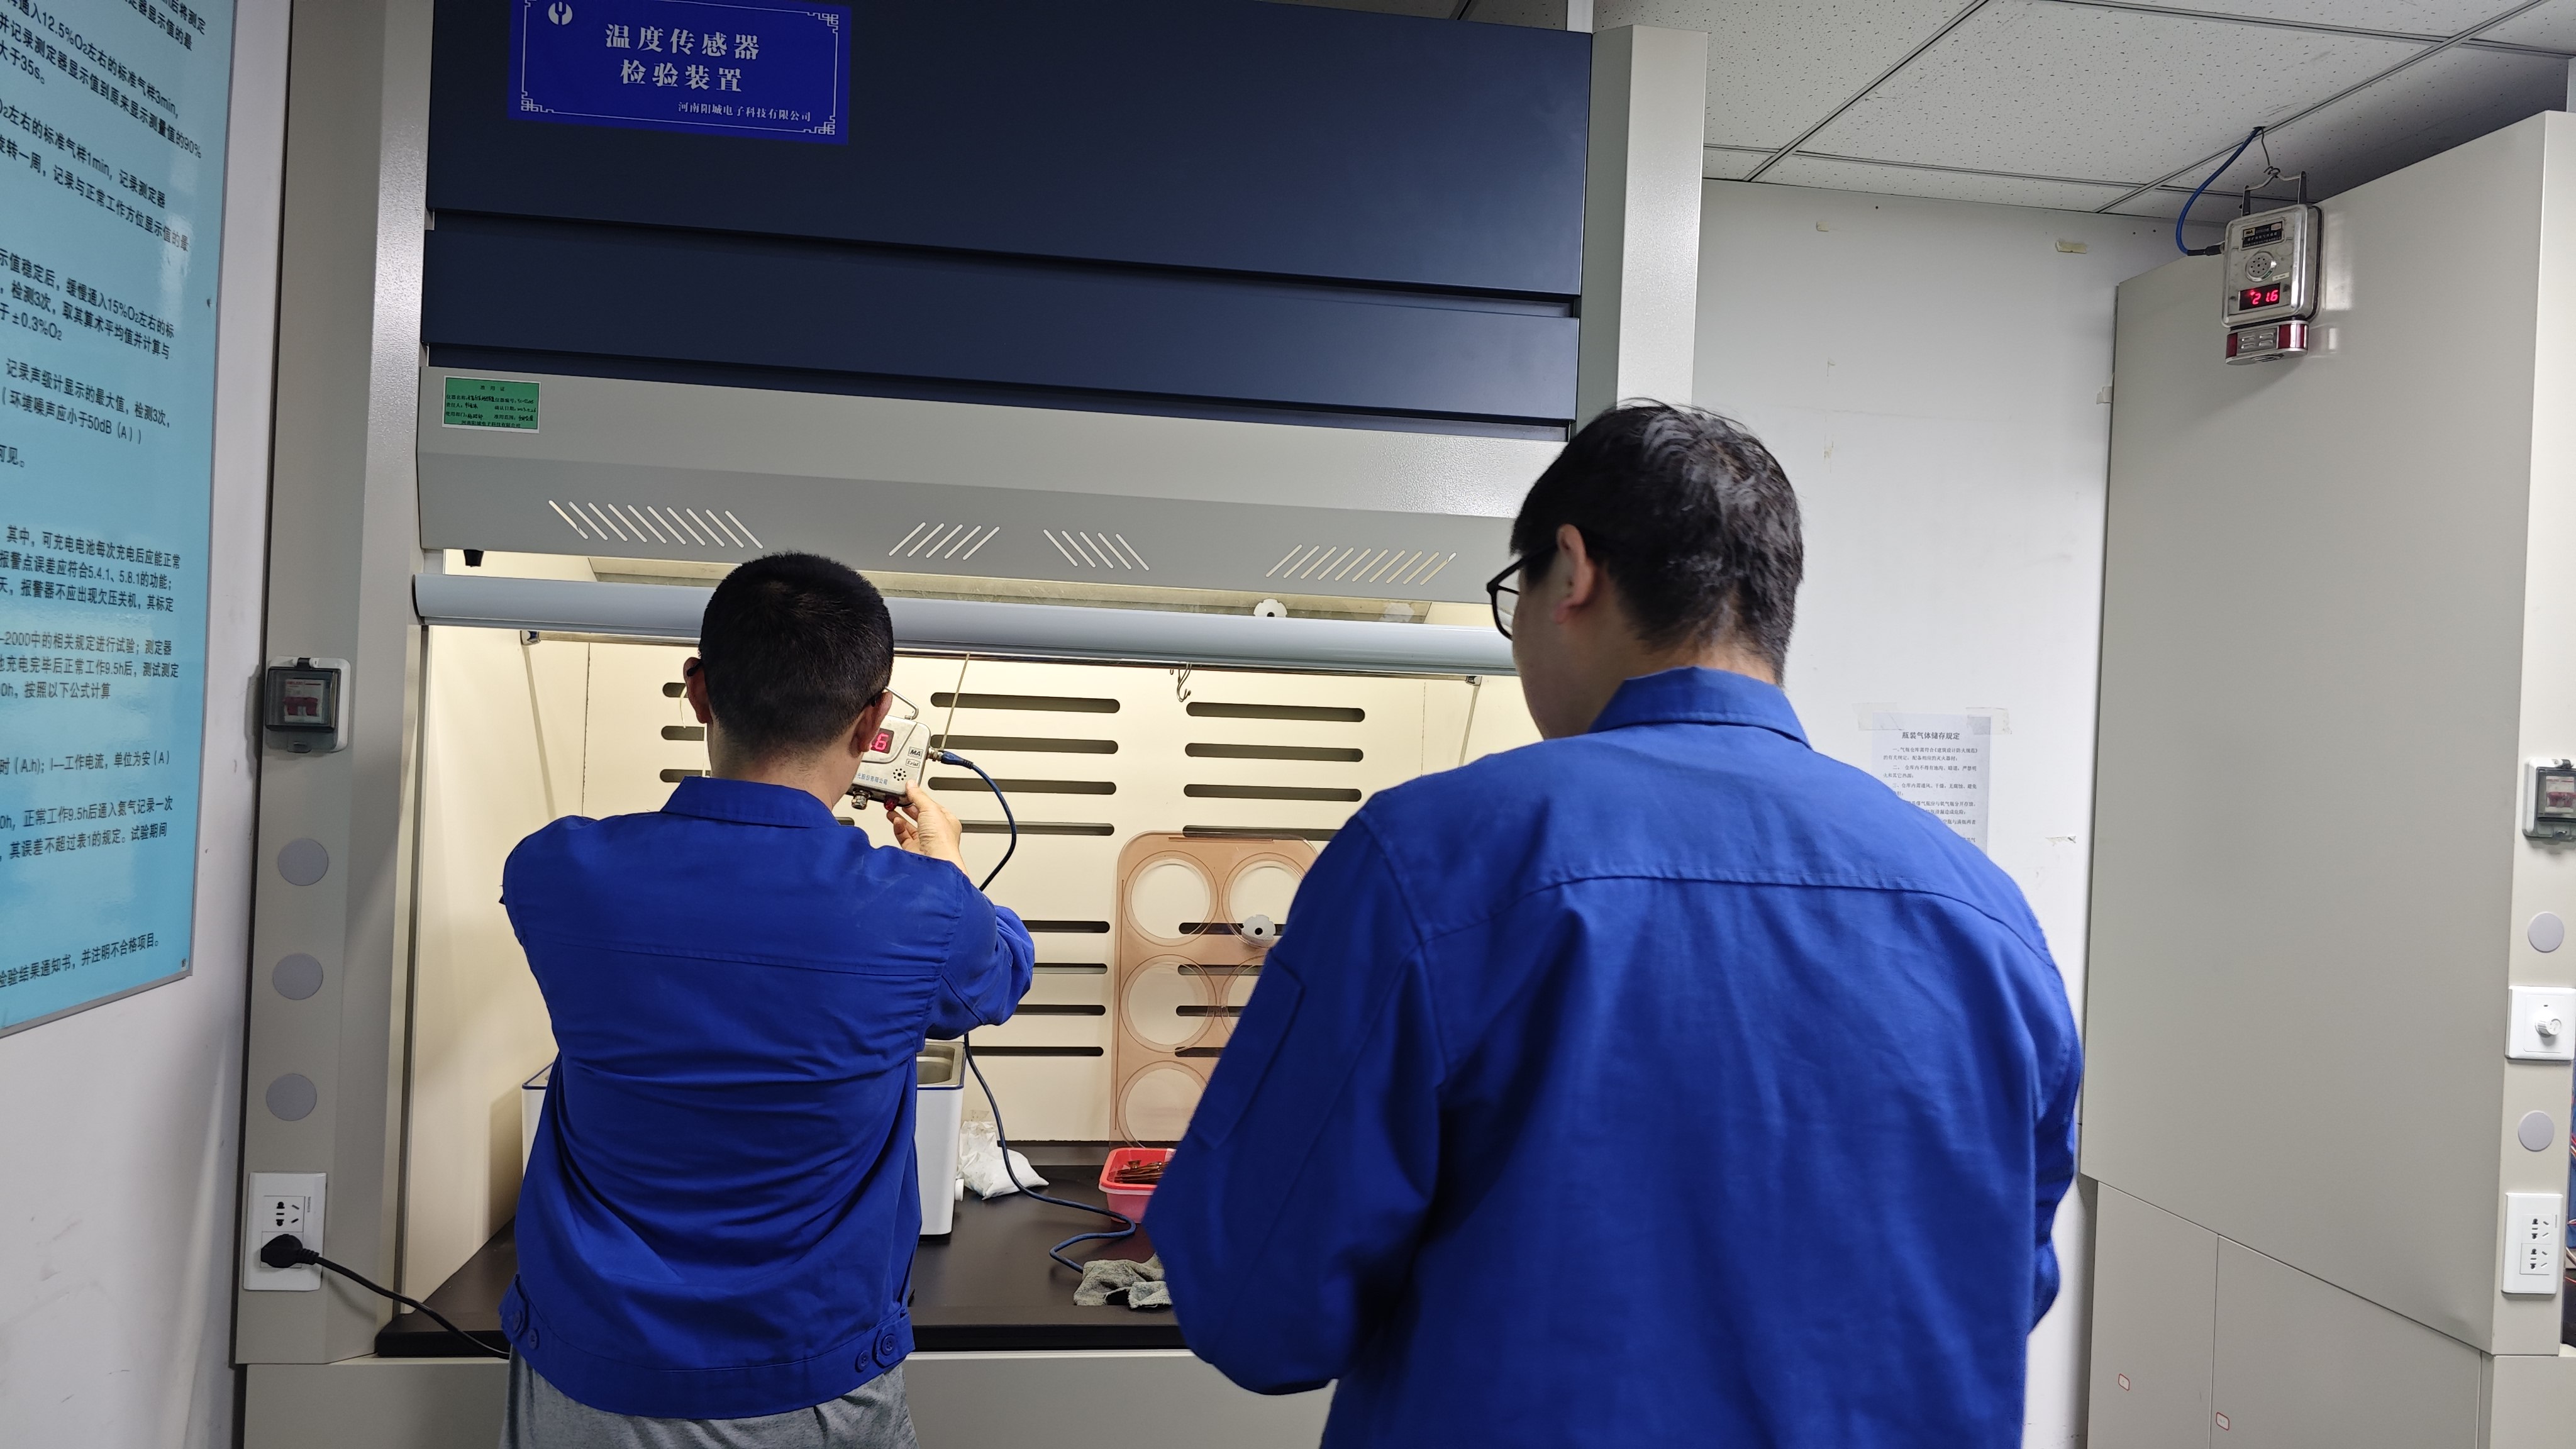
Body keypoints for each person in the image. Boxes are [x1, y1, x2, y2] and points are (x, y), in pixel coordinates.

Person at [1147, 403, 2082, 1447]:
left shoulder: (1430, 860)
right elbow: (2002, 1288)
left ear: (1574, 571)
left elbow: (1259, 1310)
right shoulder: (1988, 916)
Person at [496, 553, 1032, 1447]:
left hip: (591, 1377)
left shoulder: (556, 870)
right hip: (812, 1382)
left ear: (699, 692)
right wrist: (945, 865)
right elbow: (998, 977)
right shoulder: (923, 910)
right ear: (872, 724)